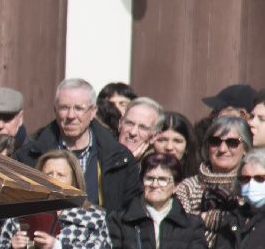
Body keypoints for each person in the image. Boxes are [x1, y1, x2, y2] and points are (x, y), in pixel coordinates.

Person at [18, 77, 140, 213]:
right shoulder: (28, 156)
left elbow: (128, 216)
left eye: (78, 108)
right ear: (55, 110)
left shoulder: (120, 158)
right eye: (64, 107)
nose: (71, 115)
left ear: (93, 111)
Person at [175, 111, 251, 245]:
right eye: (215, 141)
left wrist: (209, 219)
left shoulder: (252, 186)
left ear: (245, 148)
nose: (222, 149)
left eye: (232, 142)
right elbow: (181, 231)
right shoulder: (187, 187)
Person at [116, 95, 164, 160]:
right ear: (120, 123)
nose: (133, 132)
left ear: (155, 136)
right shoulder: (100, 154)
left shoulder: (155, 167)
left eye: (143, 127)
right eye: (129, 123)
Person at [152, 111, 194, 177]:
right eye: (162, 140)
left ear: (187, 146)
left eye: (177, 141)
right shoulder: (136, 175)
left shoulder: (198, 182)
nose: (169, 147)